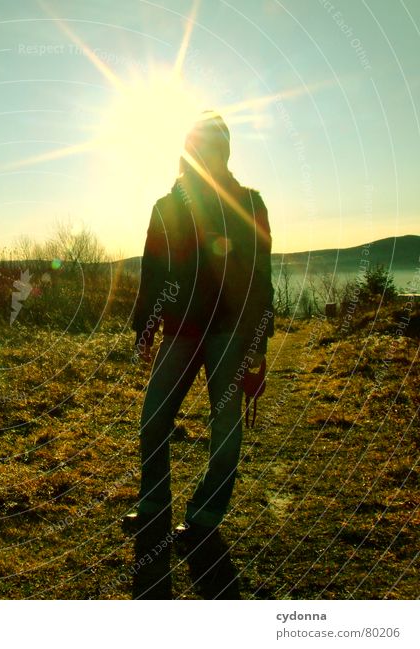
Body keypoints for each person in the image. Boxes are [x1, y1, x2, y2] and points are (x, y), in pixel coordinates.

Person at [128, 111, 274, 599]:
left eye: (215, 146)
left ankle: (205, 516)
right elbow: (153, 268)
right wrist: (144, 325)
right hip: (182, 330)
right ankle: (153, 507)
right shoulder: (167, 205)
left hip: (232, 332)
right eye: (199, 145)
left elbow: (260, 278)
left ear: (225, 152)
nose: (206, 154)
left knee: (226, 427)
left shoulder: (250, 203)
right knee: (153, 418)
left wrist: (259, 343)